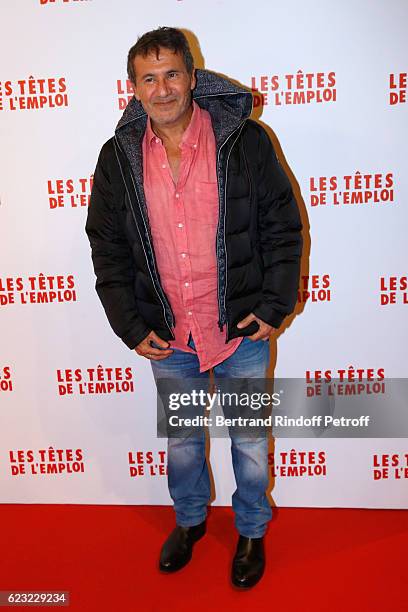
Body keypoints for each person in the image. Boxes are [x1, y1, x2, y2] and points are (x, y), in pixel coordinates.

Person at [85, 26, 302, 588]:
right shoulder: (118, 158)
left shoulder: (244, 141)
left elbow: (282, 226)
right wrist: (129, 326)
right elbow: (106, 247)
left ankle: (252, 530)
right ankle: (190, 522)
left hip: (240, 329)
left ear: (192, 76)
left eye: (172, 74)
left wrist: (275, 304)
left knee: (250, 440)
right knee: (183, 441)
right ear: (133, 87)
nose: (162, 89)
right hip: (169, 335)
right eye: (148, 78)